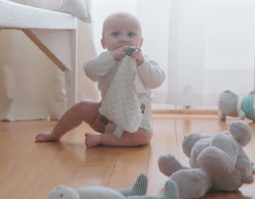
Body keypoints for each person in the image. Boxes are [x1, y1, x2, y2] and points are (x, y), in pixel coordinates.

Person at [35, 12, 165, 147]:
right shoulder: (106, 60)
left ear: (141, 42)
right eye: (115, 34)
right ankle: (56, 133)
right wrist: (111, 56)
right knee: (82, 106)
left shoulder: (145, 62)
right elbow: (90, 71)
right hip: (105, 118)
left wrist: (142, 64)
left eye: (131, 34)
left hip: (135, 123)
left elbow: (157, 81)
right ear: (103, 43)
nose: (123, 39)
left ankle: (104, 139)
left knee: (146, 135)